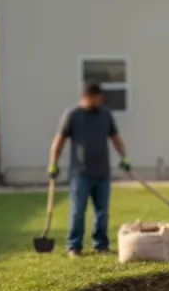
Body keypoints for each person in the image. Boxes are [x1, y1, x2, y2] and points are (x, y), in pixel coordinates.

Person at [49, 82, 131, 257]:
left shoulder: (106, 114)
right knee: (78, 211)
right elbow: (59, 141)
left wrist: (124, 157)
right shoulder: (73, 115)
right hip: (80, 174)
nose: (99, 102)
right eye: (95, 99)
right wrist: (53, 164)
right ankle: (74, 246)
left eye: (100, 99)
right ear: (85, 97)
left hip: (102, 173)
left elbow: (115, 138)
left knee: (102, 213)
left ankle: (101, 245)